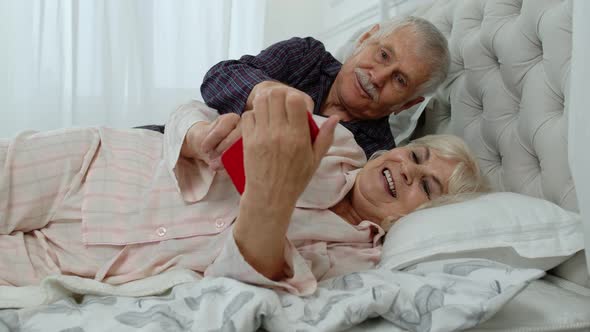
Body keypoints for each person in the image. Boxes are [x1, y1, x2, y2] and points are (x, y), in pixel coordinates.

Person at [0, 96, 485, 296]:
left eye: (427, 185)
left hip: (89, 260)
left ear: (430, 215)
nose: (405, 167)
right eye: (416, 156)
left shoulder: (358, 259)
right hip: (97, 166)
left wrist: (273, 195)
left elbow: (241, 278)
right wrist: (197, 135)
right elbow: (195, 110)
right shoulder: (337, 143)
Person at [140, 16, 450, 158]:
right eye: (383, 55)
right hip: (167, 145)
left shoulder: (376, 154)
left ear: (407, 104)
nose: (378, 76)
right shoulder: (307, 55)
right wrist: (266, 93)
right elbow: (217, 78)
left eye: (399, 80)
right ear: (365, 39)